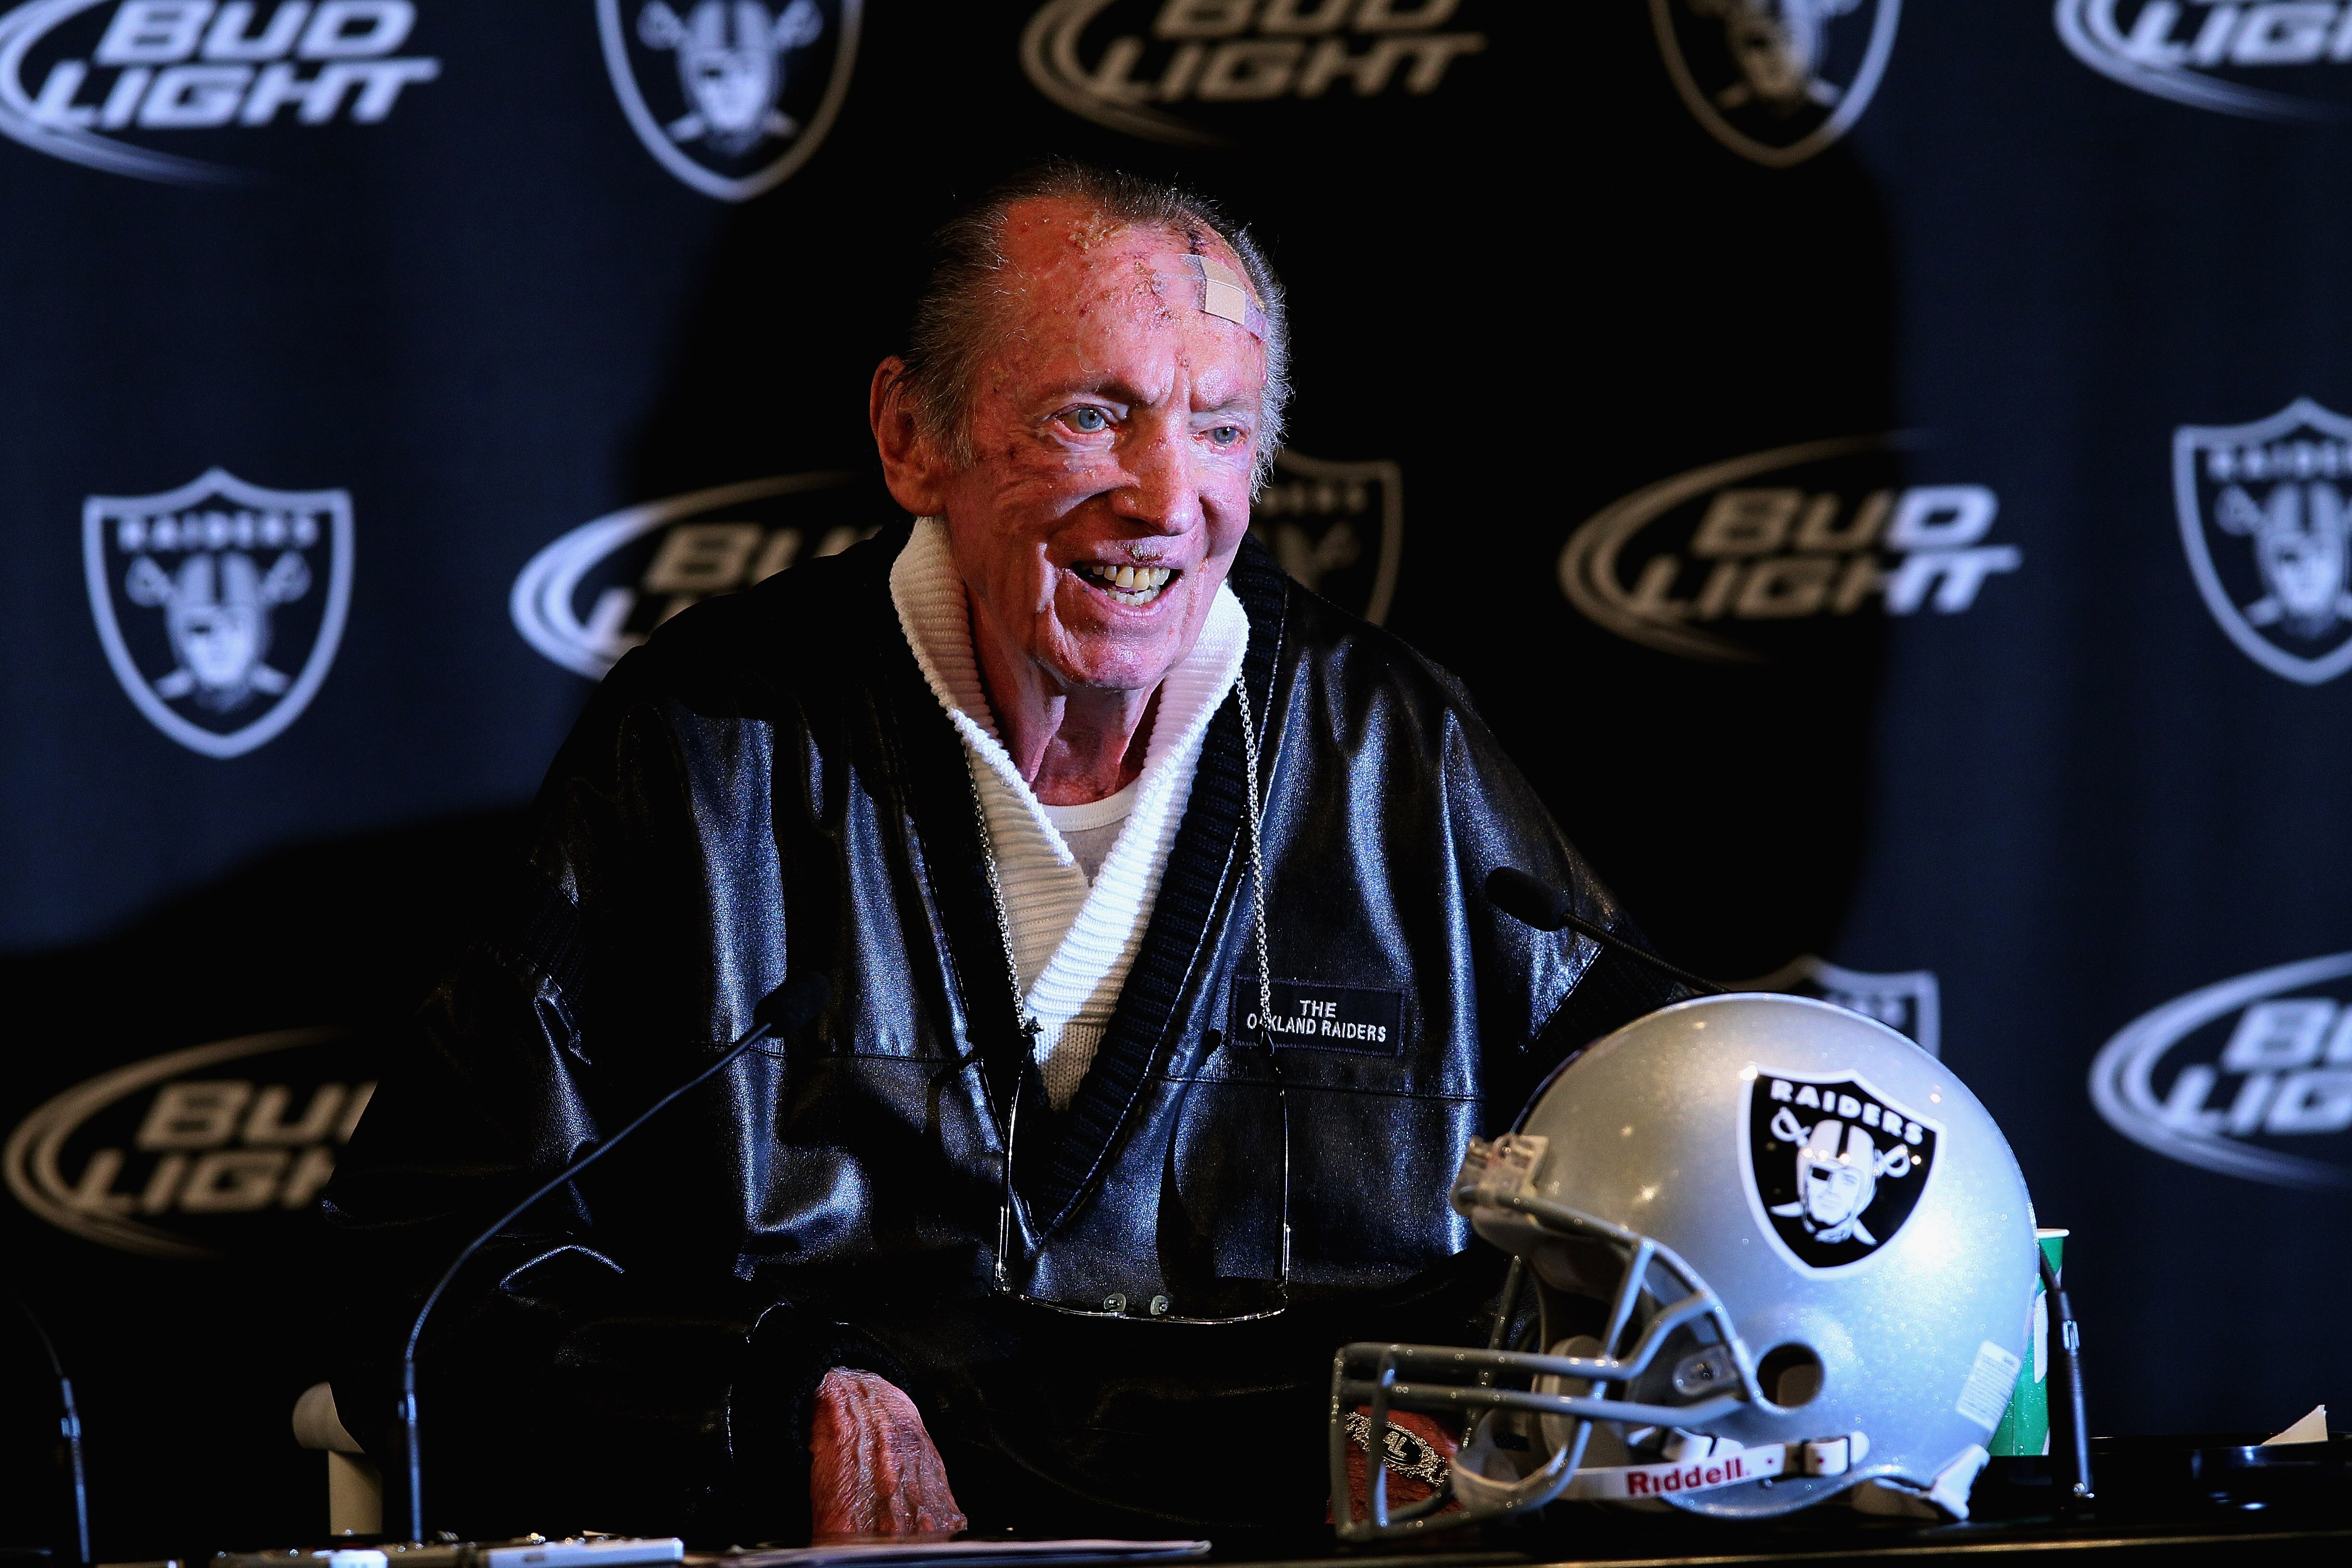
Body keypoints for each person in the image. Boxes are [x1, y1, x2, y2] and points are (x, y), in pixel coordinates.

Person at [323, 160, 1675, 1548]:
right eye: (1095, 418)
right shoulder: (712, 747)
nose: (1165, 499)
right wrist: (762, 1402)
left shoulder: (1398, 749)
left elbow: (1676, 1206)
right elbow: (420, 1268)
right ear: (913, 438)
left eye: (1218, 431)